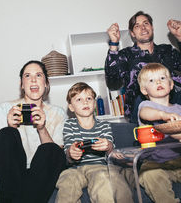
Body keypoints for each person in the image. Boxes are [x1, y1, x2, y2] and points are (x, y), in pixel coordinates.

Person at [0, 60, 66, 203]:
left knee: (52, 149)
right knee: (6, 133)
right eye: (27, 76)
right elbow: (1, 152)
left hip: (42, 172)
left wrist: (42, 128)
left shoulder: (58, 113)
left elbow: (56, 156)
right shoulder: (5, 108)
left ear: (46, 83)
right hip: (13, 172)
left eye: (38, 75)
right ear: (21, 84)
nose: (33, 80)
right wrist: (10, 126)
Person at [55, 82, 134, 203]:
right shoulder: (69, 125)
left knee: (103, 179)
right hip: (75, 168)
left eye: (89, 98)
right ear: (71, 107)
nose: (85, 102)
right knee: (66, 181)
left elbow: (111, 149)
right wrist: (71, 153)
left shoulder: (104, 125)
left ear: (94, 103)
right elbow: (68, 152)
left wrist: (108, 146)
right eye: (79, 99)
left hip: (99, 166)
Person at [105, 11, 181, 123]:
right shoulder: (126, 55)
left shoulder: (167, 50)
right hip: (142, 110)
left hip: (174, 105)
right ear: (132, 33)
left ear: (152, 27)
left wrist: (180, 37)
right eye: (137, 26)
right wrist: (114, 44)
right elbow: (112, 81)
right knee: (141, 99)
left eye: (146, 23)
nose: (143, 27)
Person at [137, 63, 181, 203]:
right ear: (144, 90)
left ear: (171, 84)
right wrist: (163, 115)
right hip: (154, 163)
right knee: (149, 175)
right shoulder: (146, 107)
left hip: (179, 160)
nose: (158, 82)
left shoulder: (179, 108)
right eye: (151, 80)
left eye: (162, 78)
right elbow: (146, 114)